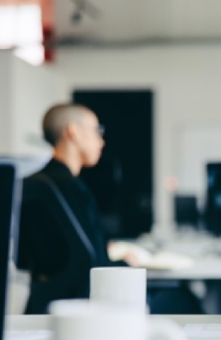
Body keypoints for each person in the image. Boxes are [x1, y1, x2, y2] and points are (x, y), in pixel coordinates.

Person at [18, 103, 136, 314]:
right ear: (72, 131)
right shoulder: (69, 188)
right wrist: (124, 264)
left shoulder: (35, 184)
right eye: (96, 130)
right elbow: (91, 263)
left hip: (43, 306)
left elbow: (27, 259)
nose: (101, 140)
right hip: (78, 312)